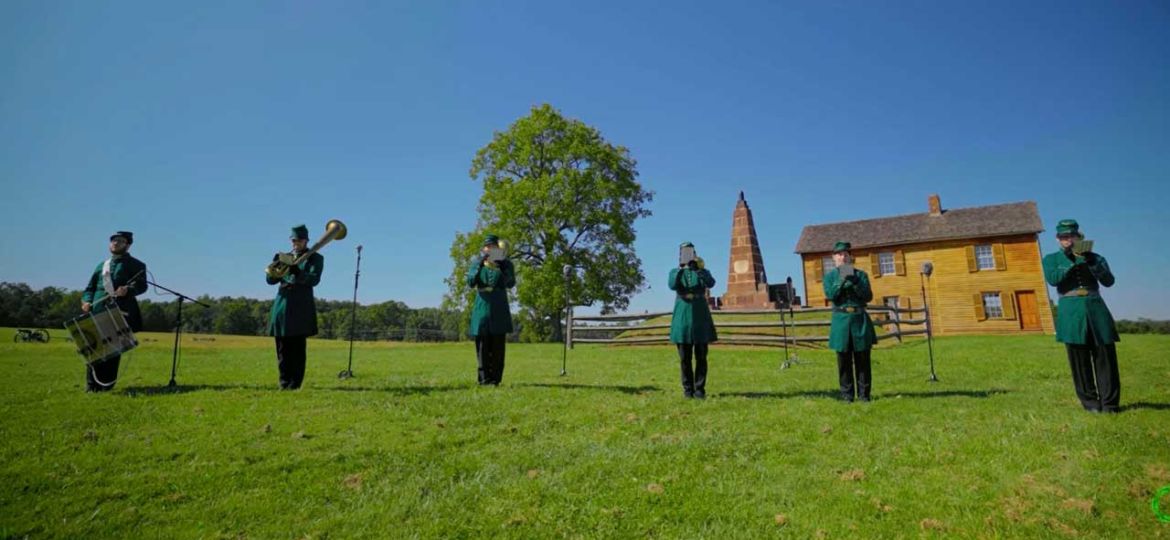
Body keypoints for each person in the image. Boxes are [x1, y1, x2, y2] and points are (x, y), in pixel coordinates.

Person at [1042, 219, 1120, 413]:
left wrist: (1093, 263)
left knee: (1105, 357)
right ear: (1058, 239)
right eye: (1064, 237)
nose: (1068, 240)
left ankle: (1109, 404)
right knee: (1079, 360)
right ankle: (1090, 404)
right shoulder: (1051, 259)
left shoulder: (1096, 257)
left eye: (1072, 236)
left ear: (1079, 237)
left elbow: (1109, 281)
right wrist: (1073, 260)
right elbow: (1053, 279)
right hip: (1070, 309)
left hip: (1095, 307)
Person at [80, 231, 147, 392]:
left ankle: (107, 385)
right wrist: (86, 301)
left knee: (112, 351)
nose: (115, 243)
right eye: (113, 240)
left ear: (128, 245)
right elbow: (90, 289)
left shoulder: (137, 265)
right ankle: (91, 386)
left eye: (120, 241)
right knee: (93, 349)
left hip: (119, 311)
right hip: (96, 311)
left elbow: (141, 286)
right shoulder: (101, 266)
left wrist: (128, 290)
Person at [266, 224, 324, 390]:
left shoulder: (315, 258)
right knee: (282, 347)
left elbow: (313, 279)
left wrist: (296, 271)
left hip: (300, 305)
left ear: (306, 240)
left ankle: (295, 383)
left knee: (297, 347)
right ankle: (284, 382)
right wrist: (275, 267)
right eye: (293, 240)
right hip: (283, 305)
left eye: (298, 240)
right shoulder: (285, 256)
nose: (295, 243)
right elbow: (270, 281)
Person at [823, 241, 876, 402]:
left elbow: (868, 296)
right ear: (834, 258)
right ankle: (847, 395)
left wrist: (855, 282)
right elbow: (831, 295)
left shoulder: (861, 275)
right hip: (841, 320)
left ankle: (864, 395)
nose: (843, 257)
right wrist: (842, 280)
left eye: (846, 254)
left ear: (850, 257)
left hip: (859, 319)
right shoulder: (830, 276)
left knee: (863, 359)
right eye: (839, 254)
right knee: (844, 360)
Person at [668, 242, 717, 399]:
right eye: (684, 253)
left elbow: (710, 283)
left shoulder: (701, 270)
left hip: (700, 315)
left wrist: (699, 269)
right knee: (684, 357)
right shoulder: (675, 272)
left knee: (701, 356)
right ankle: (687, 390)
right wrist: (682, 268)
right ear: (680, 255)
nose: (687, 255)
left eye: (690, 252)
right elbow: (672, 285)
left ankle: (699, 390)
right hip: (682, 315)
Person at [466, 234, 515, 386]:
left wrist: (502, 266)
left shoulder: (507, 264)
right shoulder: (477, 262)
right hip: (482, 307)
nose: (490, 249)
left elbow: (511, 283)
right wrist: (479, 265)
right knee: (482, 346)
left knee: (498, 347)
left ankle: (496, 379)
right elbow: (470, 282)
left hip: (499, 307)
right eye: (488, 247)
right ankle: (484, 379)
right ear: (483, 248)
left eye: (493, 247)